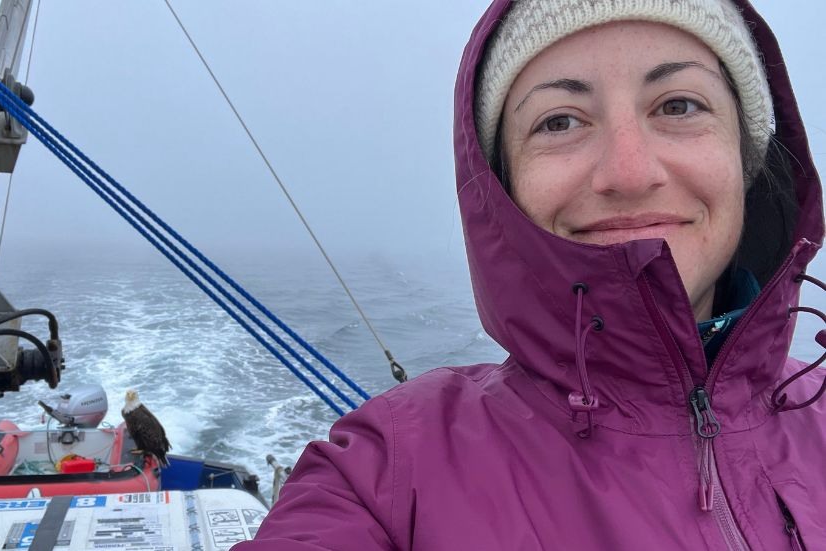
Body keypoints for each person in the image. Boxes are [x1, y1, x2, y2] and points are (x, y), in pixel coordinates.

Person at [236, 0, 824, 548]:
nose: (628, 171)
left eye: (678, 106)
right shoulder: (385, 474)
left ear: (747, 157)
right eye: (560, 121)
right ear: (504, 187)